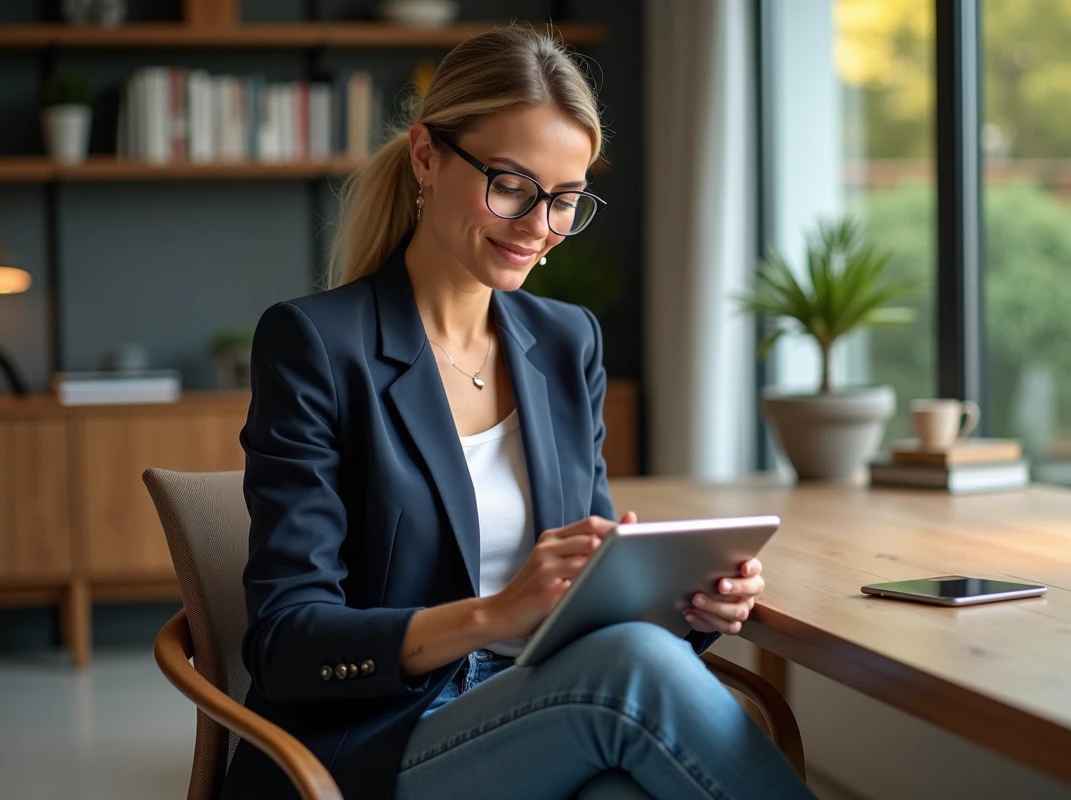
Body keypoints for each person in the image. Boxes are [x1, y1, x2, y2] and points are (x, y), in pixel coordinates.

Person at [224, 25, 816, 800]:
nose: (539, 225)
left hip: (543, 713)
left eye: (566, 200)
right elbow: (284, 642)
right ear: (426, 156)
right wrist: (494, 615)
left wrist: (690, 605)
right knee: (634, 677)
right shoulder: (316, 343)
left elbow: (593, 598)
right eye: (511, 185)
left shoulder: (566, 341)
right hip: (377, 742)